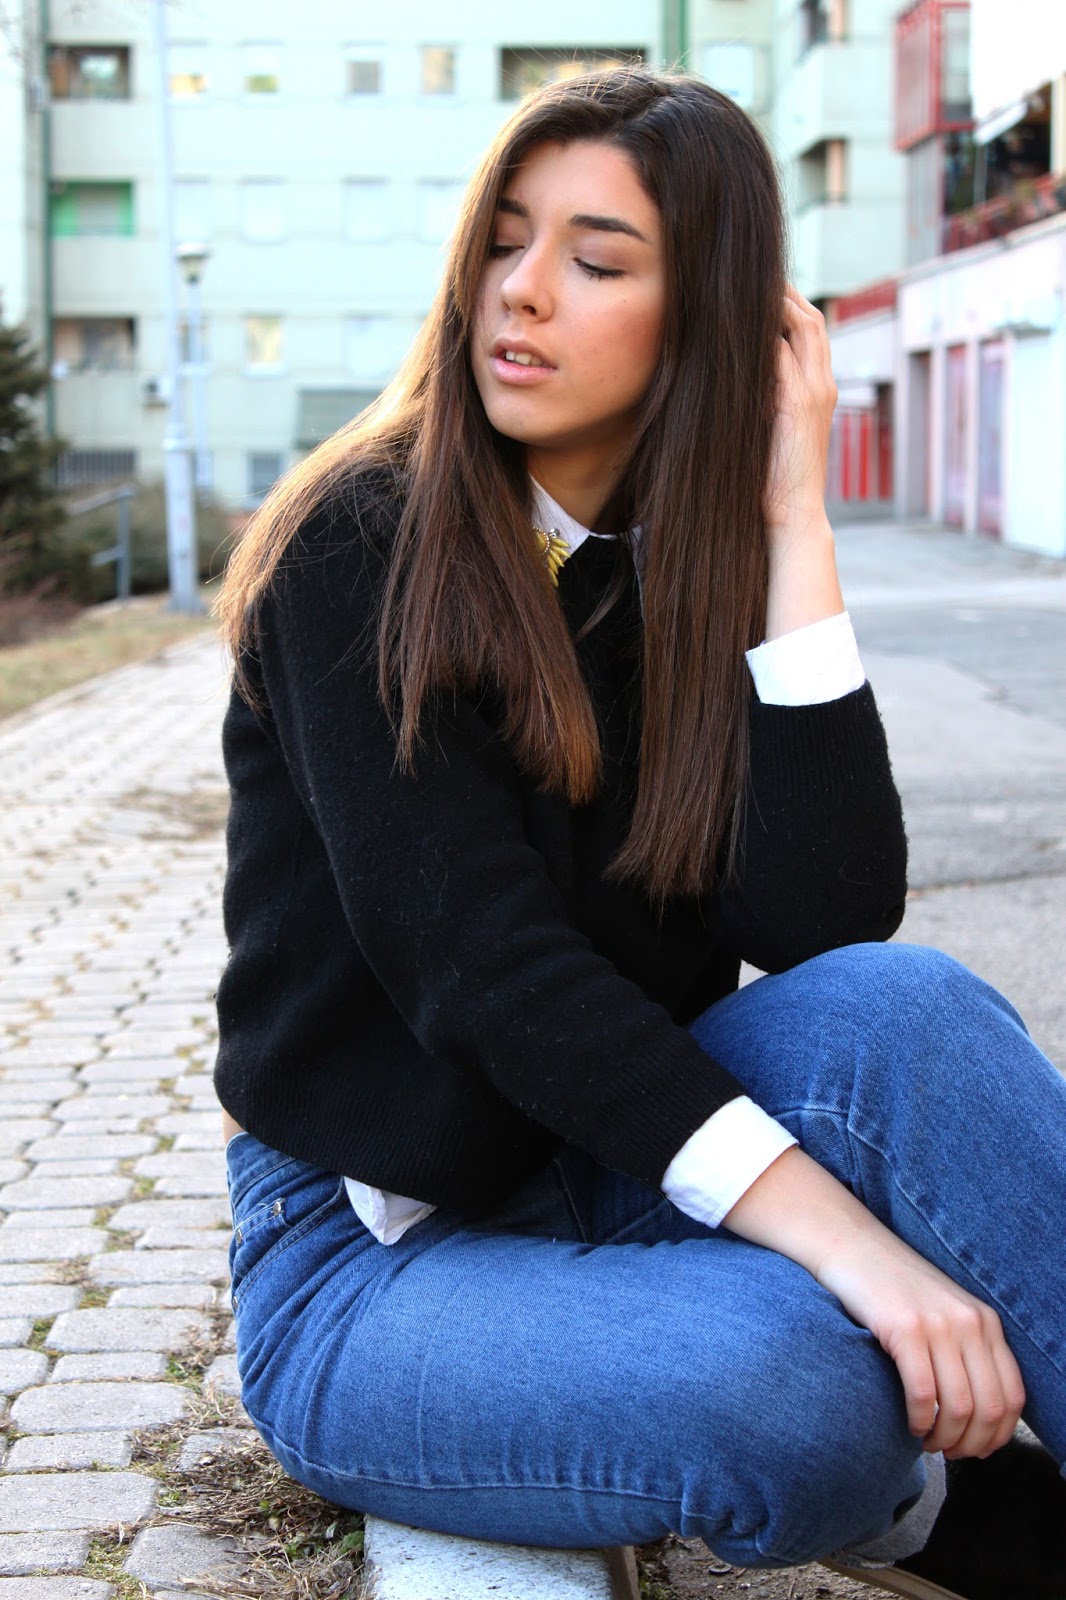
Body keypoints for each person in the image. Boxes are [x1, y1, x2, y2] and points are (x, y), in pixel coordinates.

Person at [213, 68, 1066, 1600]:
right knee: (800, 1375)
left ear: (706, 324)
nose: (521, 291)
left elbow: (820, 919)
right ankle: (936, 1508)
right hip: (378, 1258)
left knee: (910, 1014)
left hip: (611, 1163)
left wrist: (790, 520)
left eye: (596, 261)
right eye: (504, 241)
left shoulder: (673, 566)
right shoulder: (361, 545)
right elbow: (489, 976)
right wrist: (853, 1249)